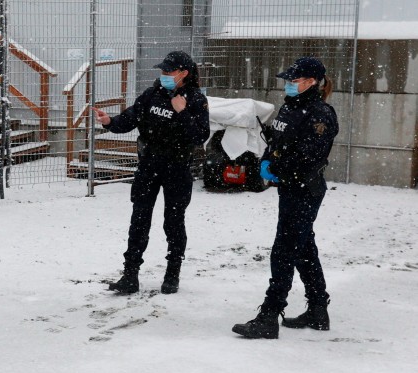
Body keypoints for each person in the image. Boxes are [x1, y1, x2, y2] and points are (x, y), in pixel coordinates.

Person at [232, 57, 339, 339]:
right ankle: (318, 309)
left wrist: (278, 168)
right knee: (303, 248)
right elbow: (277, 141)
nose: (289, 85)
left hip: (305, 189)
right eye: (288, 81)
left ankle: (269, 315)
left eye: (294, 81)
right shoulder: (291, 107)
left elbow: (310, 156)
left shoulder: (320, 114)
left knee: (284, 250)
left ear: (311, 82)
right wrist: (267, 160)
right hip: (289, 188)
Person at [93, 51, 210, 294]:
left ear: (184, 74)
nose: (164, 75)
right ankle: (130, 274)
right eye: (163, 71)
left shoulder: (195, 99)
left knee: (174, 221)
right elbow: (130, 118)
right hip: (149, 165)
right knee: (139, 219)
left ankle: (172, 273)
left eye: (169, 72)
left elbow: (200, 135)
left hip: (177, 168)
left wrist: (183, 112)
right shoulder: (152, 94)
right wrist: (109, 122)